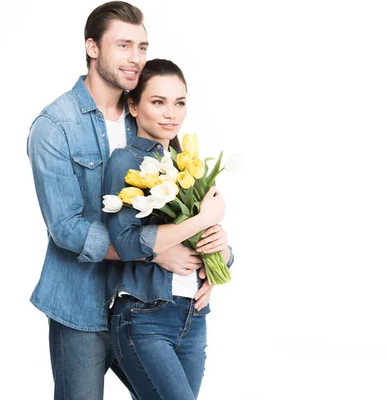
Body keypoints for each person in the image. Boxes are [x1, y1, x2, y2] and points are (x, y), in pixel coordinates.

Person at [27, 3, 210, 399]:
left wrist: (208, 263)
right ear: (92, 48)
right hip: (79, 304)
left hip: (146, 304)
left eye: (142, 47)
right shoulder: (55, 126)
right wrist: (152, 251)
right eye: (124, 46)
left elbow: (183, 200)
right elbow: (66, 227)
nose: (135, 59)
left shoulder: (145, 111)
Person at [104, 59, 235, 400]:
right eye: (157, 102)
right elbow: (127, 242)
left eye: (179, 102)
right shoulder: (126, 161)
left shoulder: (186, 165)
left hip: (193, 318)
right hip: (144, 318)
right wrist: (203, 220)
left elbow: (206, 244)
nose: (171, 113)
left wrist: (222, 251)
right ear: (132, 105)